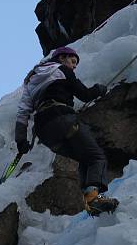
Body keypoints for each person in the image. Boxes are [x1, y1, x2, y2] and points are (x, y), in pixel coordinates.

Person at [14, 46, 119, 216]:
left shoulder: (32, 81)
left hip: (45, 132)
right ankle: (94, 198)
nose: (73, 66)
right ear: (62, 58)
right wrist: (98, 90)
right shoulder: (62, 69)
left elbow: (23, 112)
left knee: (85, 158)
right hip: (62, 119)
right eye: (72, 61)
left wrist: (21, 140)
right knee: (96, 157)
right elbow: (84, 94)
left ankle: (91, 200)